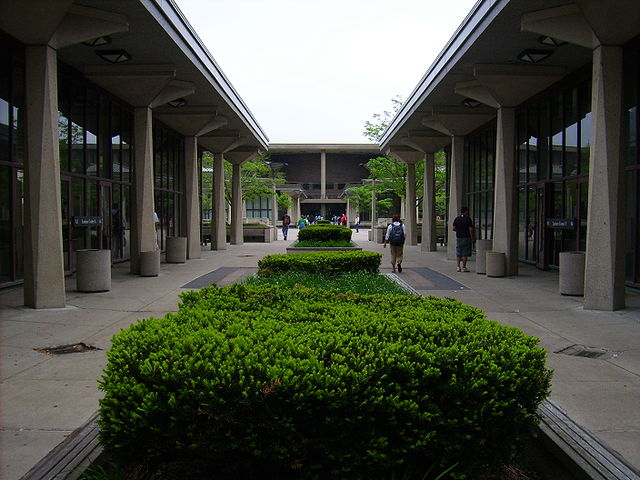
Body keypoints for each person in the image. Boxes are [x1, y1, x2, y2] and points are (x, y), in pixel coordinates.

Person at [452, 206, 475, 272]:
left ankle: (458, 267)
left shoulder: (457, 219)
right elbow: (470, 229)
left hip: (459, 237)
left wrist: (459, 231)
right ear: (466, 211)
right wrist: (472, 237)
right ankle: (464, 267)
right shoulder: (468, 219)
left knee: (459, 252)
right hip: (466, 237)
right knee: (465, 253)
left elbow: (453, 228)